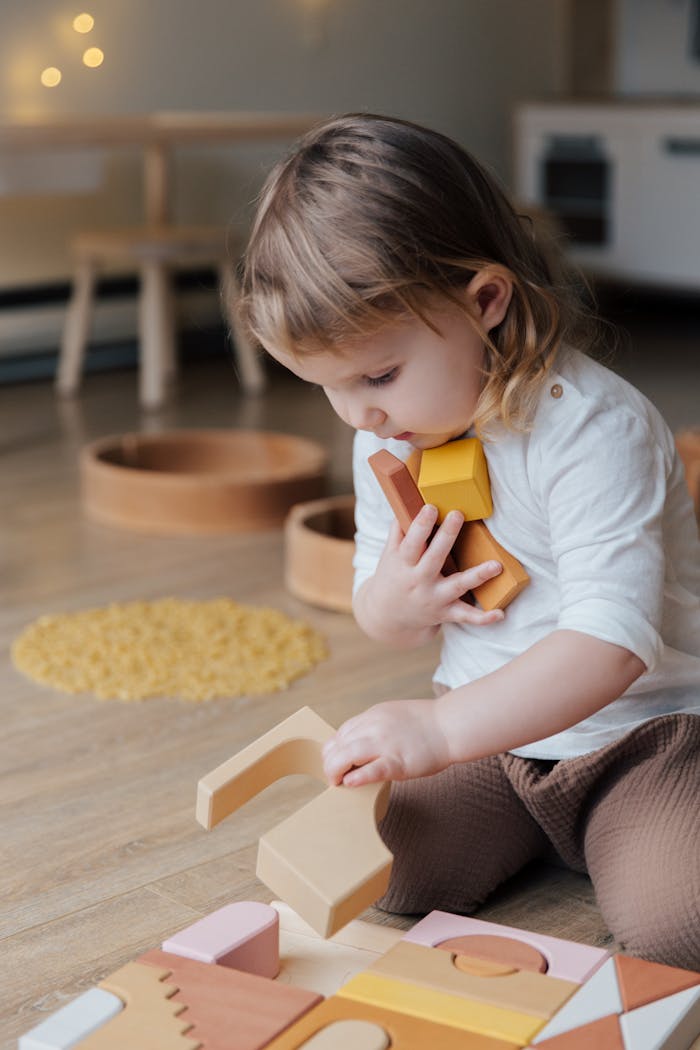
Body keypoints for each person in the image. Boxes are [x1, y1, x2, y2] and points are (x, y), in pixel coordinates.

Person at [236, 113, 700, 968]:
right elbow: (387, 617)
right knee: (389, 876)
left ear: (485, 302)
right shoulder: (387, 433)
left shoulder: (596, 431)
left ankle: (625, 829)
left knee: (676, 925)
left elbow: (612, 646)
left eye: (377, 375)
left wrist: (440, 734)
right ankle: (567, 834)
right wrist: (395, 601)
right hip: (494, 733)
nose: (358, 415)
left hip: (642, 737)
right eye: (327, 387)